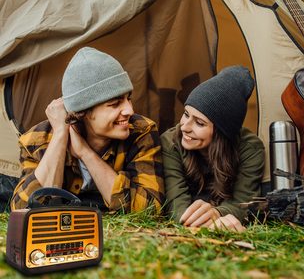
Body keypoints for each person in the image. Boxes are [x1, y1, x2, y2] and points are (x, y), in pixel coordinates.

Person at [11, 47, 164, 212]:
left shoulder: (141, 132)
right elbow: (24, 209)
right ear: (83, 112)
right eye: (114, 104)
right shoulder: (36, 140)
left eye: (128, 99)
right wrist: (61, 136)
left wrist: (85, 153)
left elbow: (150, 208)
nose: (129, 110)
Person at [161, 66, 265, 232]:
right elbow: (176, 205)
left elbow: (245, 202)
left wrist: (217, 213)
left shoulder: (250, 148)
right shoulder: (170, 142)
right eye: (186, 114)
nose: (185, 127)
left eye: (199, 123)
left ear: (221, 132)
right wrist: (193, 220)